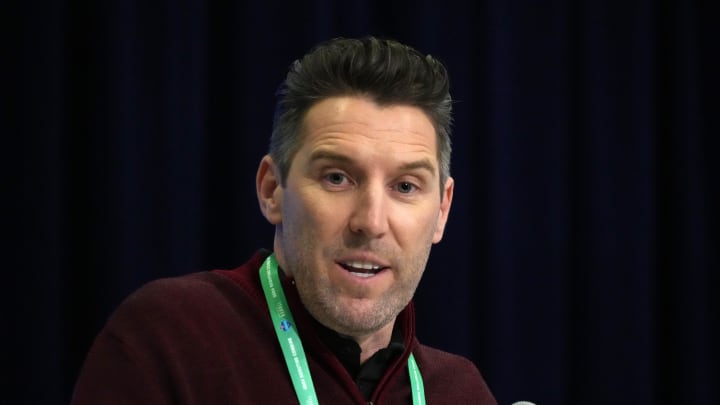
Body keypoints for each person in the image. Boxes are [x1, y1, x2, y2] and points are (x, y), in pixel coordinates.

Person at [72, 36, 497, 404]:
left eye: (405, 187)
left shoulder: (460, 392)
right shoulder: (171, 339)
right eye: (337, 178)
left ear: (442, 209)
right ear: (272, 189)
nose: (370, 221)